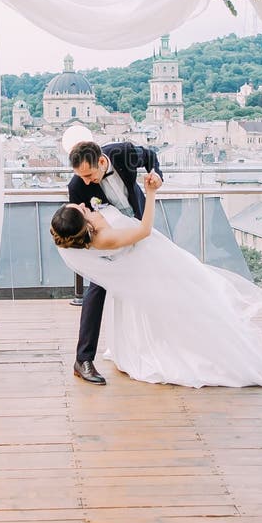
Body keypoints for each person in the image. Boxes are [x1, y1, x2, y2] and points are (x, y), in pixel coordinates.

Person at [51, 177, 262, 389]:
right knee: (192, 298)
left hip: (152, 258)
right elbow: (143, 231)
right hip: (153, 261)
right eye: (79, 209)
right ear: (83, 225)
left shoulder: (90, 230)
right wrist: (151, 193)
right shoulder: (103, 237)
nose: (82, 205)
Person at [67, 140, 163, 385]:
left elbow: (150, 156)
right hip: (111, 236)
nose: (86, 182)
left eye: (88, 174)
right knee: (97, 288)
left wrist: (156, 176)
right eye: (81, 176)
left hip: (140, 221)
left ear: (101, 161)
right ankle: (83, 359)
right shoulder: (77, 185)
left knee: (155, 280)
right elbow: (86, 224)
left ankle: (151, 346)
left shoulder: (124, 153)